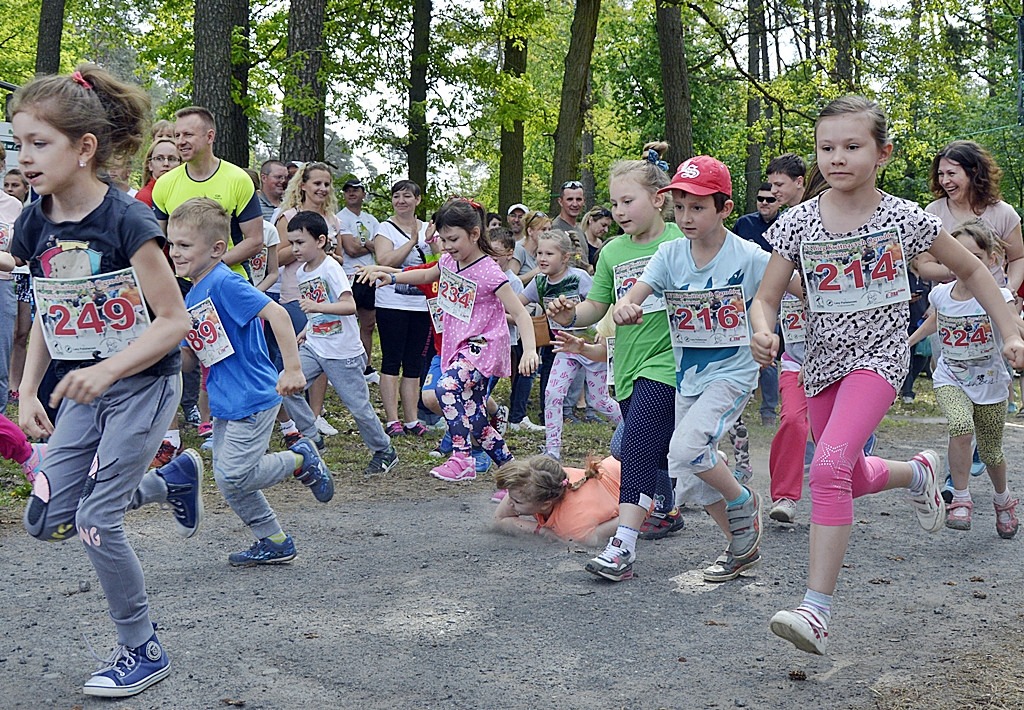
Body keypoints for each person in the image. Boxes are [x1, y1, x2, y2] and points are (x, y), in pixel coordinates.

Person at [749, 95, 1024, 656]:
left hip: (878, 358)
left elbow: (972, 267)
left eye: (852, 147)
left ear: (882, 154)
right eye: (827, 147)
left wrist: (1011, 332)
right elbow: (766, 296)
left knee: (825, 469)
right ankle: (917, 472)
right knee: (848, 474)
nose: (837, 158)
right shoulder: (798, 221)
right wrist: (762, 328)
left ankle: (816, 611)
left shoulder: (903, 217)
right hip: (821, 362)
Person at [10, 64, 203, 697]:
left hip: (141, 387)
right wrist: (29, 388)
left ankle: (141, 647)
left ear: (84, 147)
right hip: (78, 391)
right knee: (45, 521)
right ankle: (170, 477)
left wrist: (108, 369)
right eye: (18, 143)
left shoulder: (129, 223)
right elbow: (49, 306)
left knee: (96, 520)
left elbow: (174, 322)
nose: (25, 157)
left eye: (40, 143)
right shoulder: (33, 223)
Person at [613, 154, 774, 585]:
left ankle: (742, 498)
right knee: (690, 478)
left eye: (698, 207)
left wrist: (768, 334)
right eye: (679, 206)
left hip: (733, 373)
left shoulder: (751, 257)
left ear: (724, 208)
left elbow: (785, 294)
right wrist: (627, 306)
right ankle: (741, 547)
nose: (685, 216)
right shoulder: (669, 255)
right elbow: (635, 293)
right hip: (690, 378)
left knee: (683, 451)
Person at [545, 143, 691, 579]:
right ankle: (733, 504)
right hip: (625, 365)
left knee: (634, 447)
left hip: (670, 362)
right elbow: (596, 307)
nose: (619, 210)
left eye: (628, 201)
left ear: (659, 197)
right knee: (660, 451)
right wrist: (571, 313)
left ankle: (622, 546)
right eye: (613, 203)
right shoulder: (611, 252)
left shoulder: (679, 240)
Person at [167, 198, 333, 565]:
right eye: (171, 244)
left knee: (235, 473)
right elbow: (190, 359)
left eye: (184, 245)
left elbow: (277, 314)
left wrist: (292, 369)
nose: (174, 253)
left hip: (255, 394)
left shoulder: (224, 282)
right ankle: (273, 540)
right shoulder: (193, 293)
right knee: (229, 481)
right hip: (228, 400)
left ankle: (299, 460)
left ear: (217, 249)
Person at [361, 198, 539, 481]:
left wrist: (529, 350)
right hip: (458, 349)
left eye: (453, 239)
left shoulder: (489, 271)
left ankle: (462, 458)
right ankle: (516, 478)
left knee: (446, 387)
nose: (446, 246)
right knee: (478, 421)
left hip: (483, 347)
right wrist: (391, 277)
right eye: (443, 240)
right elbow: (426, 273)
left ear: (475, 234)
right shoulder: (448, 261)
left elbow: (520, 312)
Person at [907, 218, 1018, 538]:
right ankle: (961, 498)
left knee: (992, 451)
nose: (964, 266)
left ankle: (1003, 500)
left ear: (991, 260)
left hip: (990, 383)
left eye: (975, 259)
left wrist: (1018, 344)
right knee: (960, 425)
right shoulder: (940, 295)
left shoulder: (998, 295)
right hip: (950, 377)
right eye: (957, 258)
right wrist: (907, 343)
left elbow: (1013, 326)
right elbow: (934, 323)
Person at [278, 210, 398, 476]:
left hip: (342, 353)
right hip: (315, 346)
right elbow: (316, 310)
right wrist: (307, 329)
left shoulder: (331, 268)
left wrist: (316, 307)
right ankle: (311, 436)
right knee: (285, 385)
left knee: (358, 407)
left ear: (320, 241)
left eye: (300, 243)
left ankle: (384, 449)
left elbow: (348, 306)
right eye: (292, 243)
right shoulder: (300, 272)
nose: (294, 249)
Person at [519, 230, 620, 459]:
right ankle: (552, 451)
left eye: (549, 254)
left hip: (591, 345)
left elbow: (601, 305)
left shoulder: (579, 278)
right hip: (565, 348)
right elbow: (516, 306)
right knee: (552, 394)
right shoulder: (539, 282)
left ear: (565, 257)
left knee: (599, 400)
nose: (542, 258)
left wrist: (603, 333)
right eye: (539, 253)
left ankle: (635, 431)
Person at [152, 106, 264, 279]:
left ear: (210, 136)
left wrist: (210, 268)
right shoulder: (164, 184)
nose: (180, 141)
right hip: (182, 284)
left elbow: (255, 240)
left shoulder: (238, 179)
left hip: (229, 278)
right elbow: (157, 243)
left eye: (188, 135)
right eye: (177, 135)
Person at [372, 179, 436, 437]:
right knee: (391, 361)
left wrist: (430, 242)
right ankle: (392, 420)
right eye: (397, 196)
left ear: (418, 200)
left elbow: (437, 264)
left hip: (421, 305)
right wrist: (411, 242)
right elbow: (384, 261)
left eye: (407, 196)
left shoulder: (428, 229)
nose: (402, 201)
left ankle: (412, 419)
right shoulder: (384, 228)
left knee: (414, 363)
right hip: (391, 303)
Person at [493, 454, 621, 544]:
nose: (509, 502)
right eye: (510, 495)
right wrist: (541, 530)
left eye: (517, 502)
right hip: (620, 463)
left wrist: (639, 516)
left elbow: (623, 521)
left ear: (545, 504)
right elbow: (499, 519)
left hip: (635, 474)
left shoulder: (573, 527)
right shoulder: (538, 479)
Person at [337, 177, 382, 384]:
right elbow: (351, 249)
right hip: (347, 275)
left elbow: (381, 250)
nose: (352, 193)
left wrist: (365, 244)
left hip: (369, 274)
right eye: (348, 190)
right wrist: (369, 244)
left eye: (356, 190)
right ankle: (341, 366)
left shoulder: (372, 220)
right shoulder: (340, 218)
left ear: (364, 194)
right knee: (346, 322)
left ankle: (365, 366)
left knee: (368, 323)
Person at [551, 180, 589, 270]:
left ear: (584, 201)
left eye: (579, 199)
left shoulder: (580, 230)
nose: (575, 204)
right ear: (560, 202)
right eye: (570, 199)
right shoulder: (556, 229)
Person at [733, 182, 779, 253]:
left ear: (780, 203)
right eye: (760, 199)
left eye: (770, 200)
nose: (764, 202)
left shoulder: (785, 225)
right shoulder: (743, 223)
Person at [134, 138, 180, 208]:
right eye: (159, 158)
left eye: (172, 159)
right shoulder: (144, 197)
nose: (166, 164)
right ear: (150, 165)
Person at [581, 205, 613, 269]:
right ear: (591, 220)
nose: (606, 230)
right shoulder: (580, 242)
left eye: (608, 227)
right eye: (603, 225)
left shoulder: (604, 244)